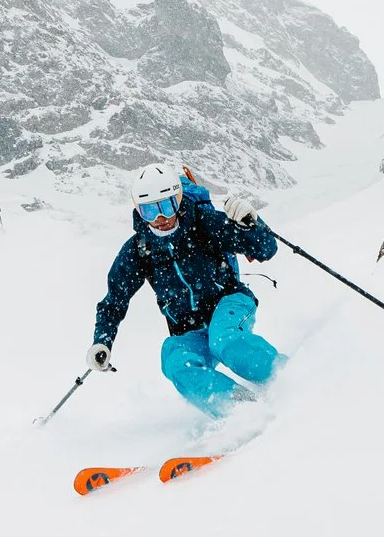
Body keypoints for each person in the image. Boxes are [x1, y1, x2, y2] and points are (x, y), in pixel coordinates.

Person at [87, 161, 281, 414]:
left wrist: (252, 224)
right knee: (174, 358)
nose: (160, 219)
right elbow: (114, 301)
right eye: (149, 211)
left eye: (166, 207)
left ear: (178, 200)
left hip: (230, 302)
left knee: (224, 339)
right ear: (138, 211)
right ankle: (239, 410)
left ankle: (288, 378)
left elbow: (265, 249)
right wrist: (102, 341)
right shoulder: (139, 249)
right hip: (190, 328)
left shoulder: (204, 223)